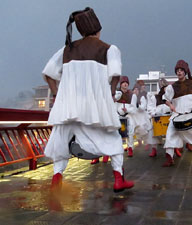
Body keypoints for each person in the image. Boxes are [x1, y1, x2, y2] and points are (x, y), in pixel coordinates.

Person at [42, 7, 134, 192]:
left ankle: (56, 181)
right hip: (95, 106)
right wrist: (109, 93)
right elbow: (115, 75)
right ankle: (118, 180)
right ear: (98, 29)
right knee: (114, 140)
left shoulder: (67, 49)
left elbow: (49, 73)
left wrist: (57, 95)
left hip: (67, 106)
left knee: (61, 142)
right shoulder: (109, 49)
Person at [115, 76, 137, 157]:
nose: (125, 84)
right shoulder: (117, 94)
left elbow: (134, 109)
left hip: (128, 115)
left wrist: (127, 111)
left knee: (130, 130)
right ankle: (116, 148)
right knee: (116, 131)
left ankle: (130, 148)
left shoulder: (132, 95)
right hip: (117, 115)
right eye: (123, 83)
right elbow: (113, 105)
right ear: (120, 84)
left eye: (126, 83)